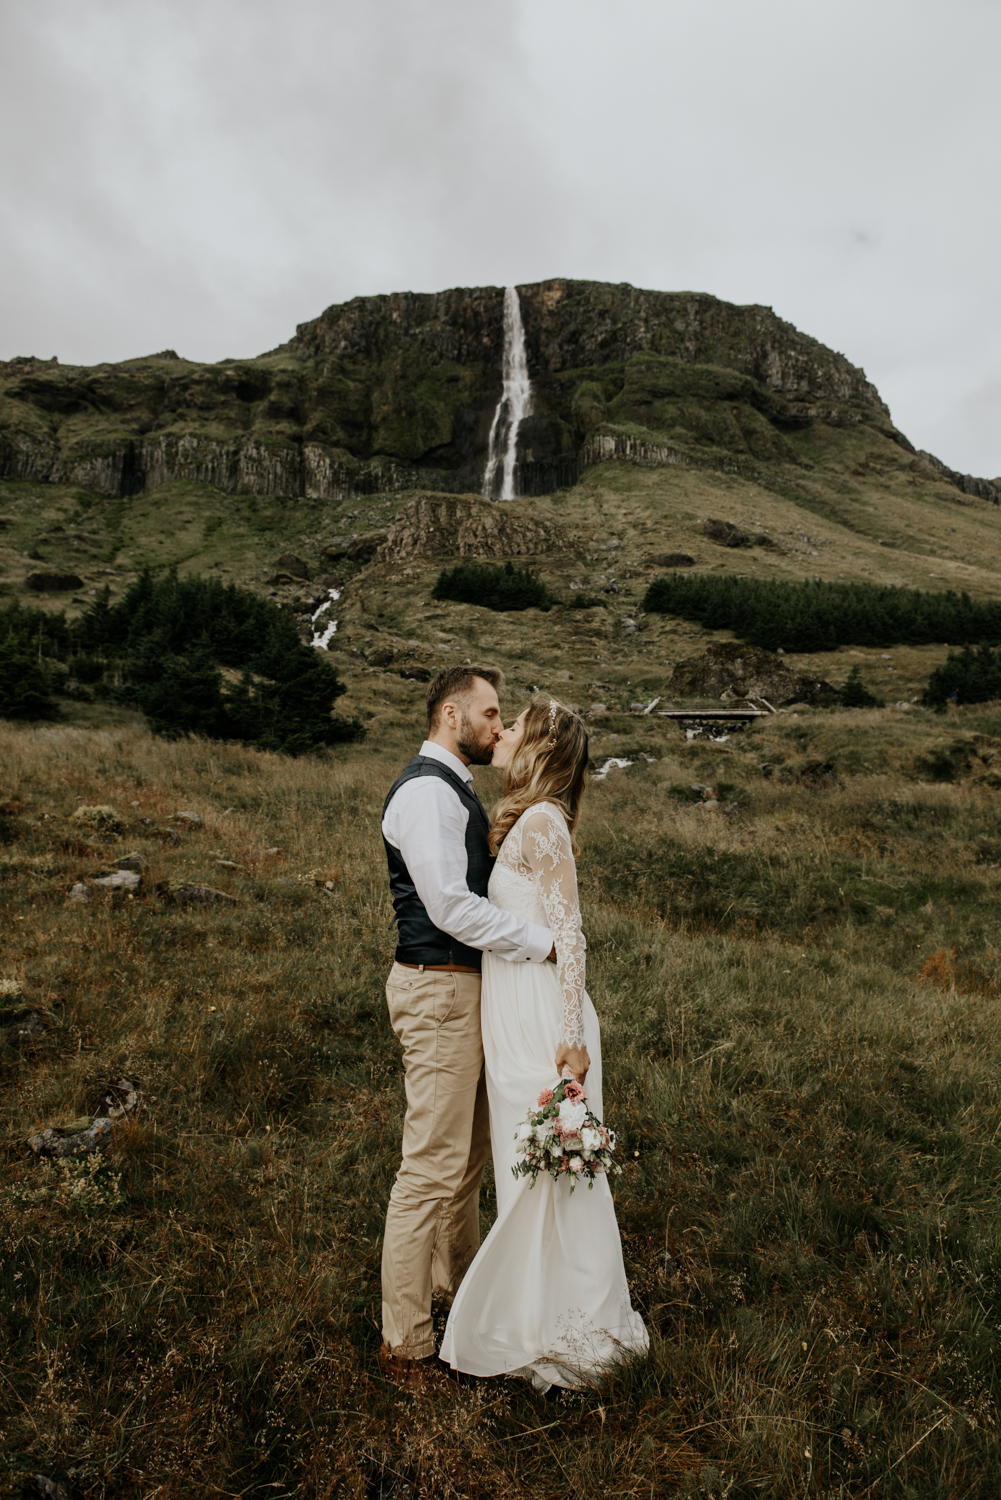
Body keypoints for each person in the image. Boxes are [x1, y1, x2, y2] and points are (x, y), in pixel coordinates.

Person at [440, 696, 649, 1390]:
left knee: (552, 1177)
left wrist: (570, 1043)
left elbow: (571, 939)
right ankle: (536, 1318)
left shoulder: (542, 823)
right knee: (522, 1171)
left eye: (515, 725)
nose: (500, 733)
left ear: (540, 746)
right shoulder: (525, 820)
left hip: (541, 1020)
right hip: (511, 1011)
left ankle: (582, 1331)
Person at [379, 666, 557, 1390]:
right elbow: (449, 906)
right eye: (488, 713)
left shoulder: (452, 788)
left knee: (466, 1163)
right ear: (451, 714)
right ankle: (407, 1338)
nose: (496, 725)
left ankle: (458, 1294)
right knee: (428, 1169)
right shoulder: (426, 792)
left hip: (462, 992)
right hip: (438, 992)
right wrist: (540, 941)